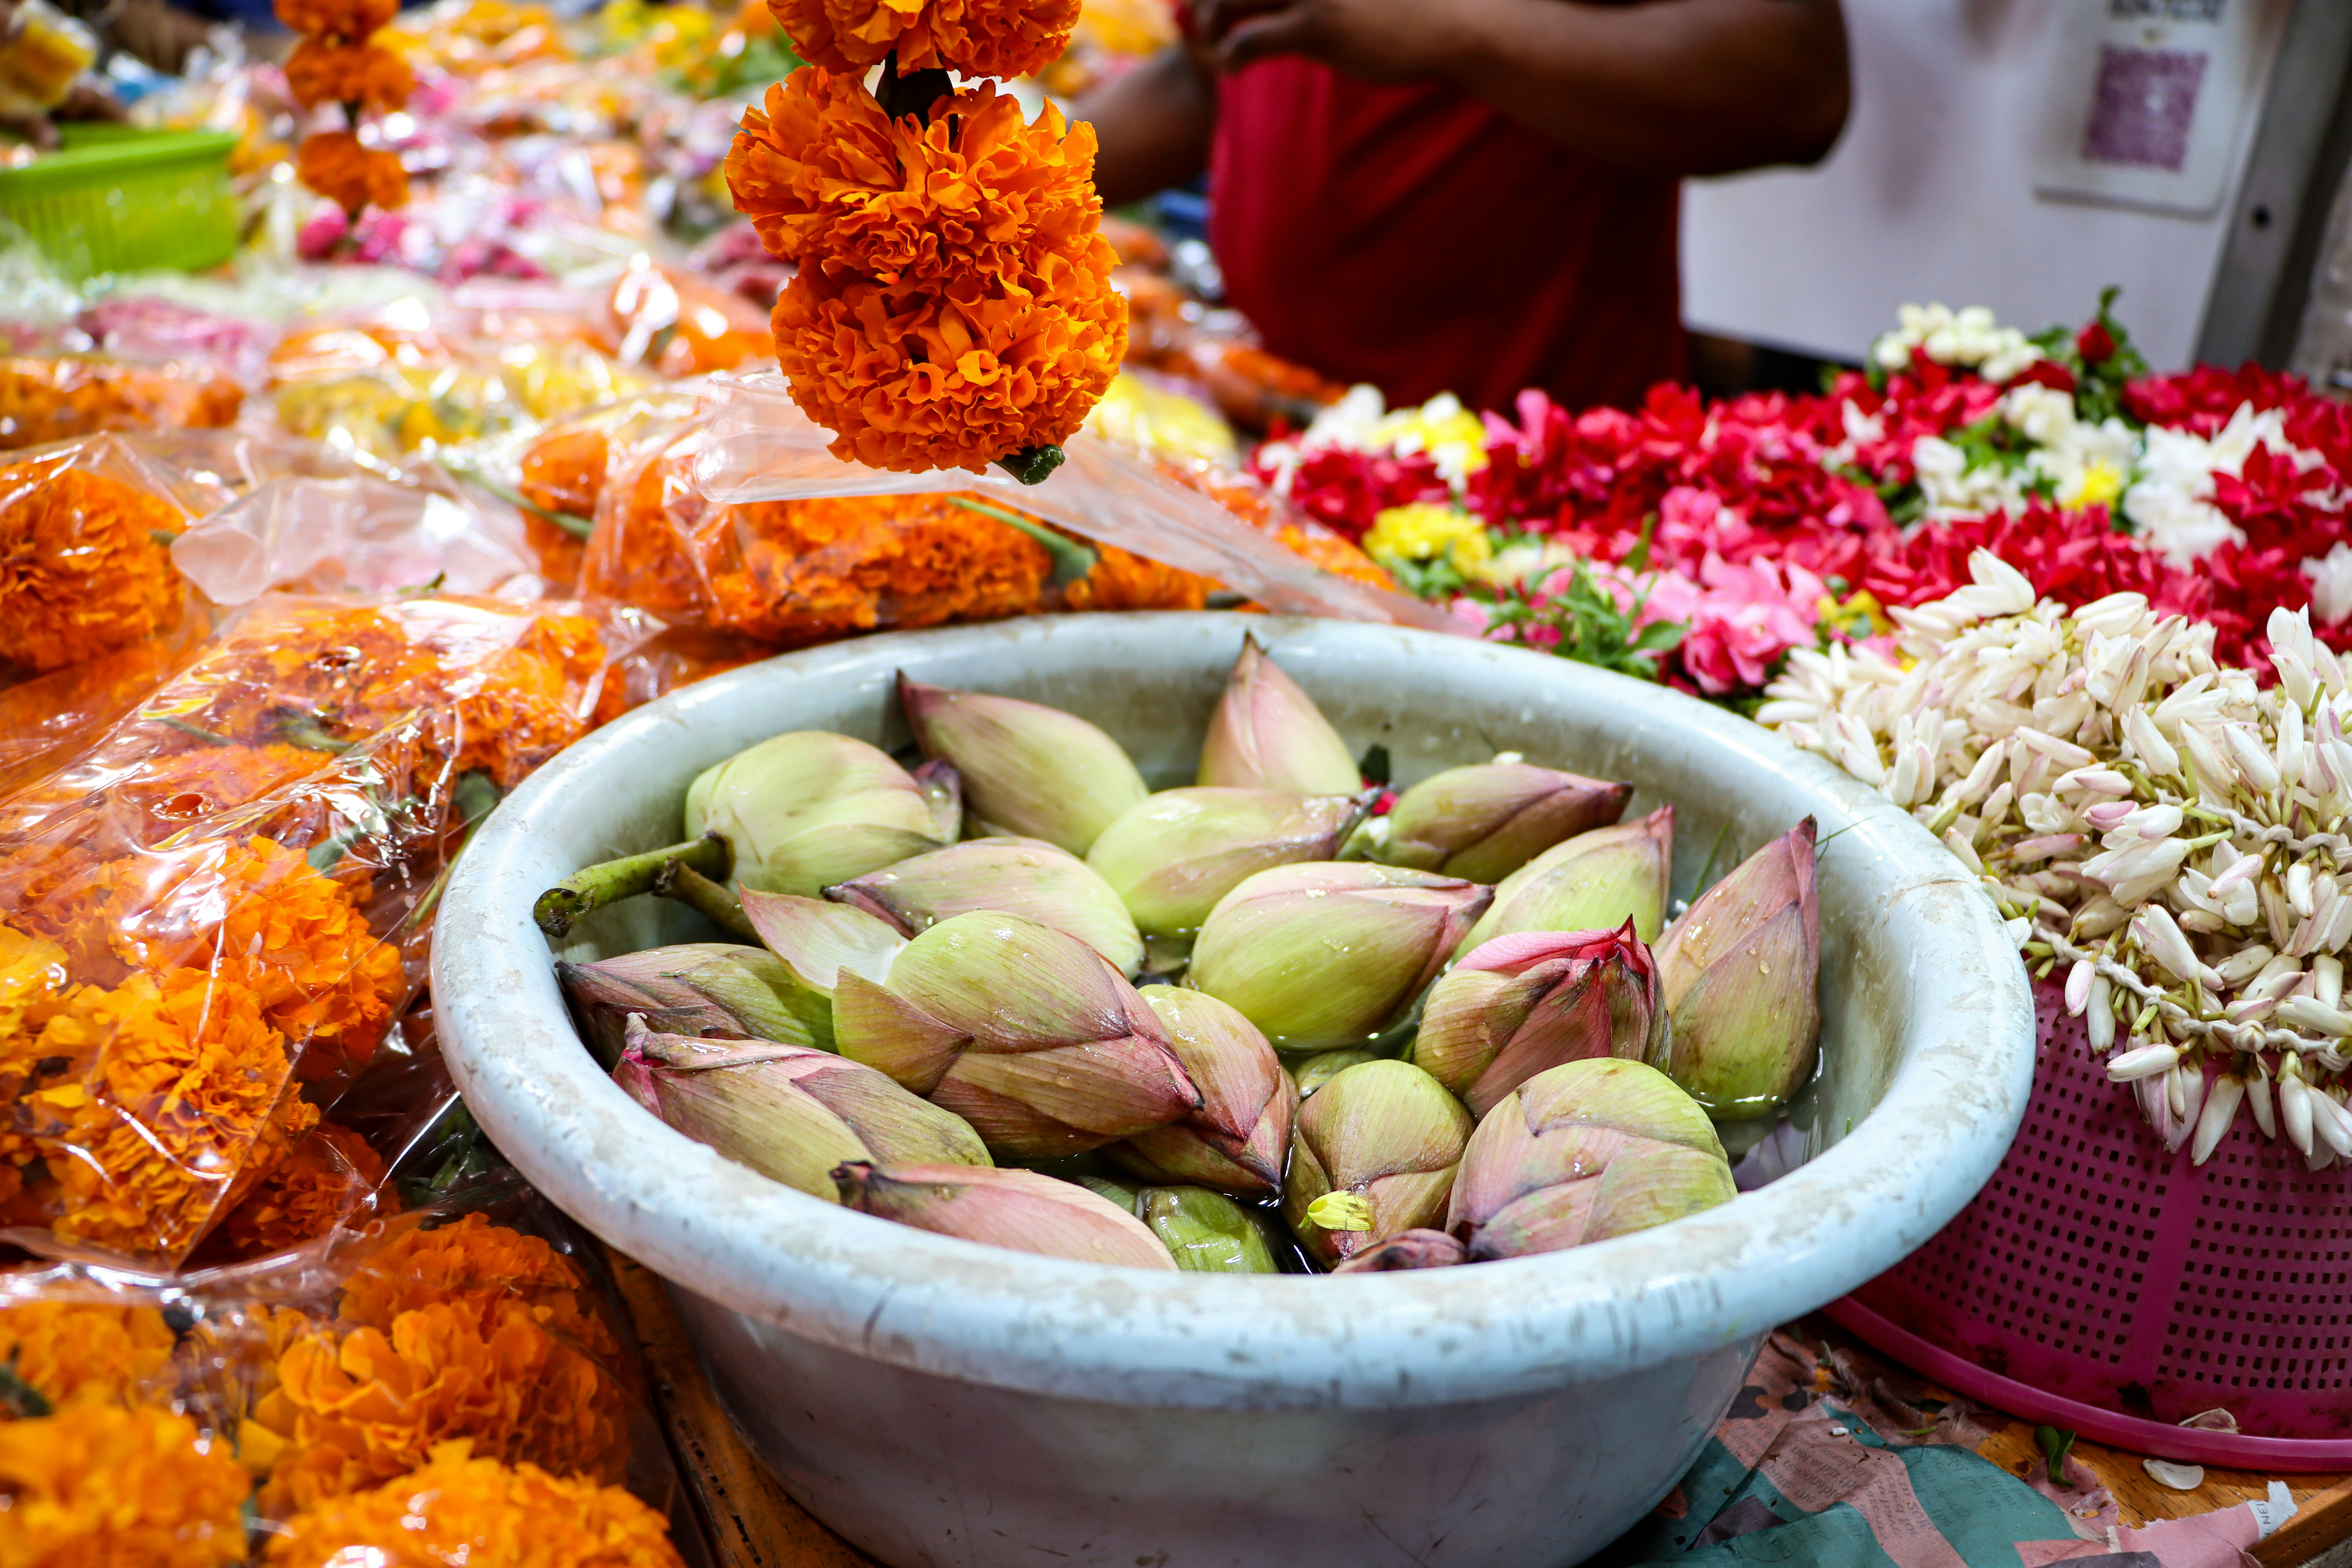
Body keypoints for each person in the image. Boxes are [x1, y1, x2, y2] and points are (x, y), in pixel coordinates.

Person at [1079, 0, 1851, 413]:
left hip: (1533, 463)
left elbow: (1798, 88)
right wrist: (1006, 187)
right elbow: (1210, 65)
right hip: (1276, 406)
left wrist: (1453, 26)